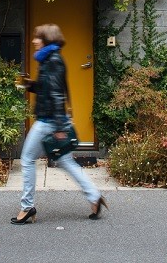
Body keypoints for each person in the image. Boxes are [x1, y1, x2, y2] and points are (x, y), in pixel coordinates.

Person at [11, 23, 107, 225]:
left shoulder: (52, 61)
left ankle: (27, 207)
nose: (34, 41)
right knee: (65, 162)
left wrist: (60, 127)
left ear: (46, 40)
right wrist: (29, 85)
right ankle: (94, 197)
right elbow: (48, 90)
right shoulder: (49, 60)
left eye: (37, 38)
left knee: (27, 159)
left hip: (48, 121)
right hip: (53, 119)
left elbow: (56, 95)